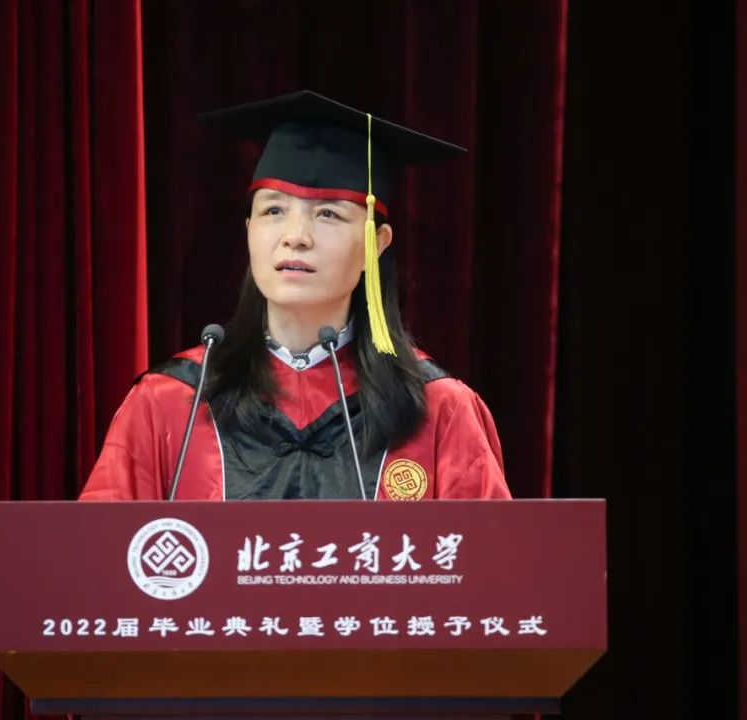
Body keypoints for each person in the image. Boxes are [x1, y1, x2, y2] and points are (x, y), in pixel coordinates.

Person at [80, 91, 510, 501]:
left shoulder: (438, 408)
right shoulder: (172, 401)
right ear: (249, 230)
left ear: (376, 244)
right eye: (273, 210)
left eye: (328, 213)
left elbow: (489, 549)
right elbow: (102, 545)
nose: (295, 236)